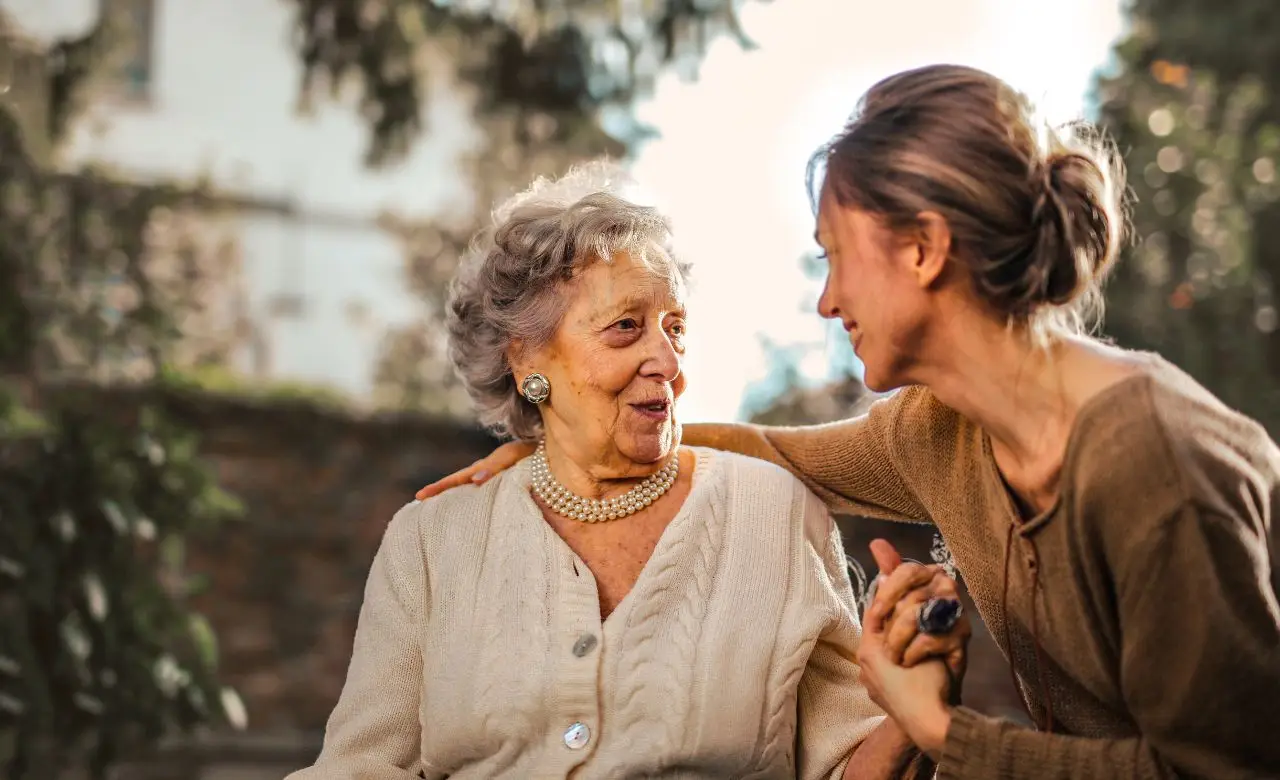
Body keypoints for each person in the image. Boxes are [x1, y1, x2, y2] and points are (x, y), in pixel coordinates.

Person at [416, 64, 1280, 779]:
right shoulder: (939, 431)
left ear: (923, 248)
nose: (827, 301)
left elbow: (1224, 770)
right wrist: (559, 448)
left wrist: (943, 733)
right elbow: (769, 450)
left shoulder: (1156, 464)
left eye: (835, 258)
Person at [288, 164, 969, 780]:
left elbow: (845, 767)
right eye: (625, 327)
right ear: (527, 362)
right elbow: (360, 769)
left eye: (675, 327)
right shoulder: (433, 541)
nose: (668, 363)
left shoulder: (775, 513)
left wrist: (915, 711)